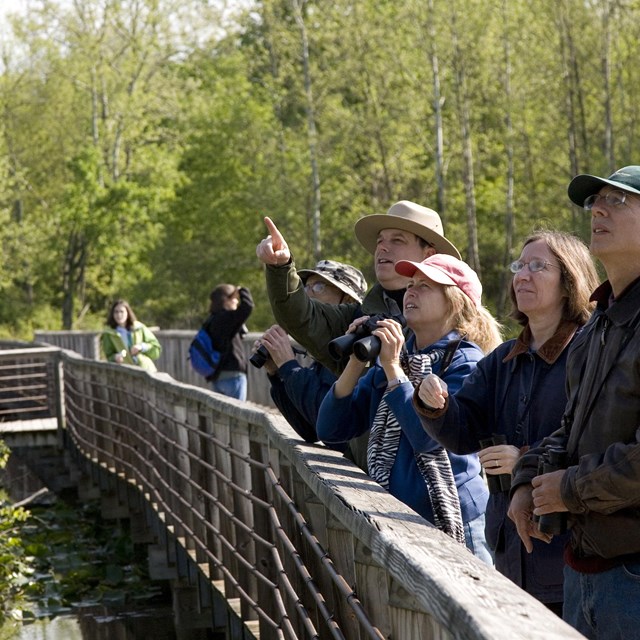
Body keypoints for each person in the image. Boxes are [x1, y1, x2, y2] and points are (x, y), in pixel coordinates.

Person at [413, 230, 599, 613]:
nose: (522, 275)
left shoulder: (589, 351)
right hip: (508, 555)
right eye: (520, 265)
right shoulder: (501, 359)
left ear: (569, 282)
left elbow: (598, 442)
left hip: (568, 555)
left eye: (538, 266)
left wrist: (525, 460)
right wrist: (434, 403)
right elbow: (463, 433)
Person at [507, 166, 640, 638]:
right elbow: (570, 431)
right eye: (596, 201)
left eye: (620, 200)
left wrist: (568, 490)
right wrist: (527, 483)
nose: (599, 209)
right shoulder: (598, 328)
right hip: (583, 570)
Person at [316, 254, 502, 564]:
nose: (411, 292)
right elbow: (331, 429)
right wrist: (358, 358)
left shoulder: (467, 363)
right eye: (411, 284)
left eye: (425, 286)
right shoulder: (400, 358)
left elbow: (432, 440)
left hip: (455, 520)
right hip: (399, 516)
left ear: (455, 302)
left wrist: (392, 370)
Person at [256, 200, 460, 469]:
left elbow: (446, 437)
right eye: (380, 240)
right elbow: (301, 317)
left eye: (397, 240)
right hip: (369, 490)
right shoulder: (358, 319)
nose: (382, 247)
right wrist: (281, 267)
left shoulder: (457, 333)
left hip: (437, 498)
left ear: (429, 254)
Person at [256, 260, 367, 444]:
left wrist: (289, 366)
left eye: (319, 286)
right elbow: (308, 429)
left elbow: (325, 421)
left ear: (348, 300)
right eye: (305, 287)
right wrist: (277, 374)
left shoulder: (357, 353)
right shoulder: (327, 350)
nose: (307, 294)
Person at [201, 284, 254, 401]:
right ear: (226, 301)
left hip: (217, 376)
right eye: (235, 299)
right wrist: (242, 290)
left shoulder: (211, 320)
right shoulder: (227, 318)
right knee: (237, 414)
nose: (236, 301)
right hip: (233, 376)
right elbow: (248, 307)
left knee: (222, 415)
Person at [101, 300, 162, 373]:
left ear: (128, 313)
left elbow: (156, 348)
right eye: (116, 312)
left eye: (122, 311)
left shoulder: (139, 327)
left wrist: (141, 347)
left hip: (146, 370)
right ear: (112, 314)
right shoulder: (109, 333)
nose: (119, 315)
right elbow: (109, 356)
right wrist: (115, 357)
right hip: (126, 373)